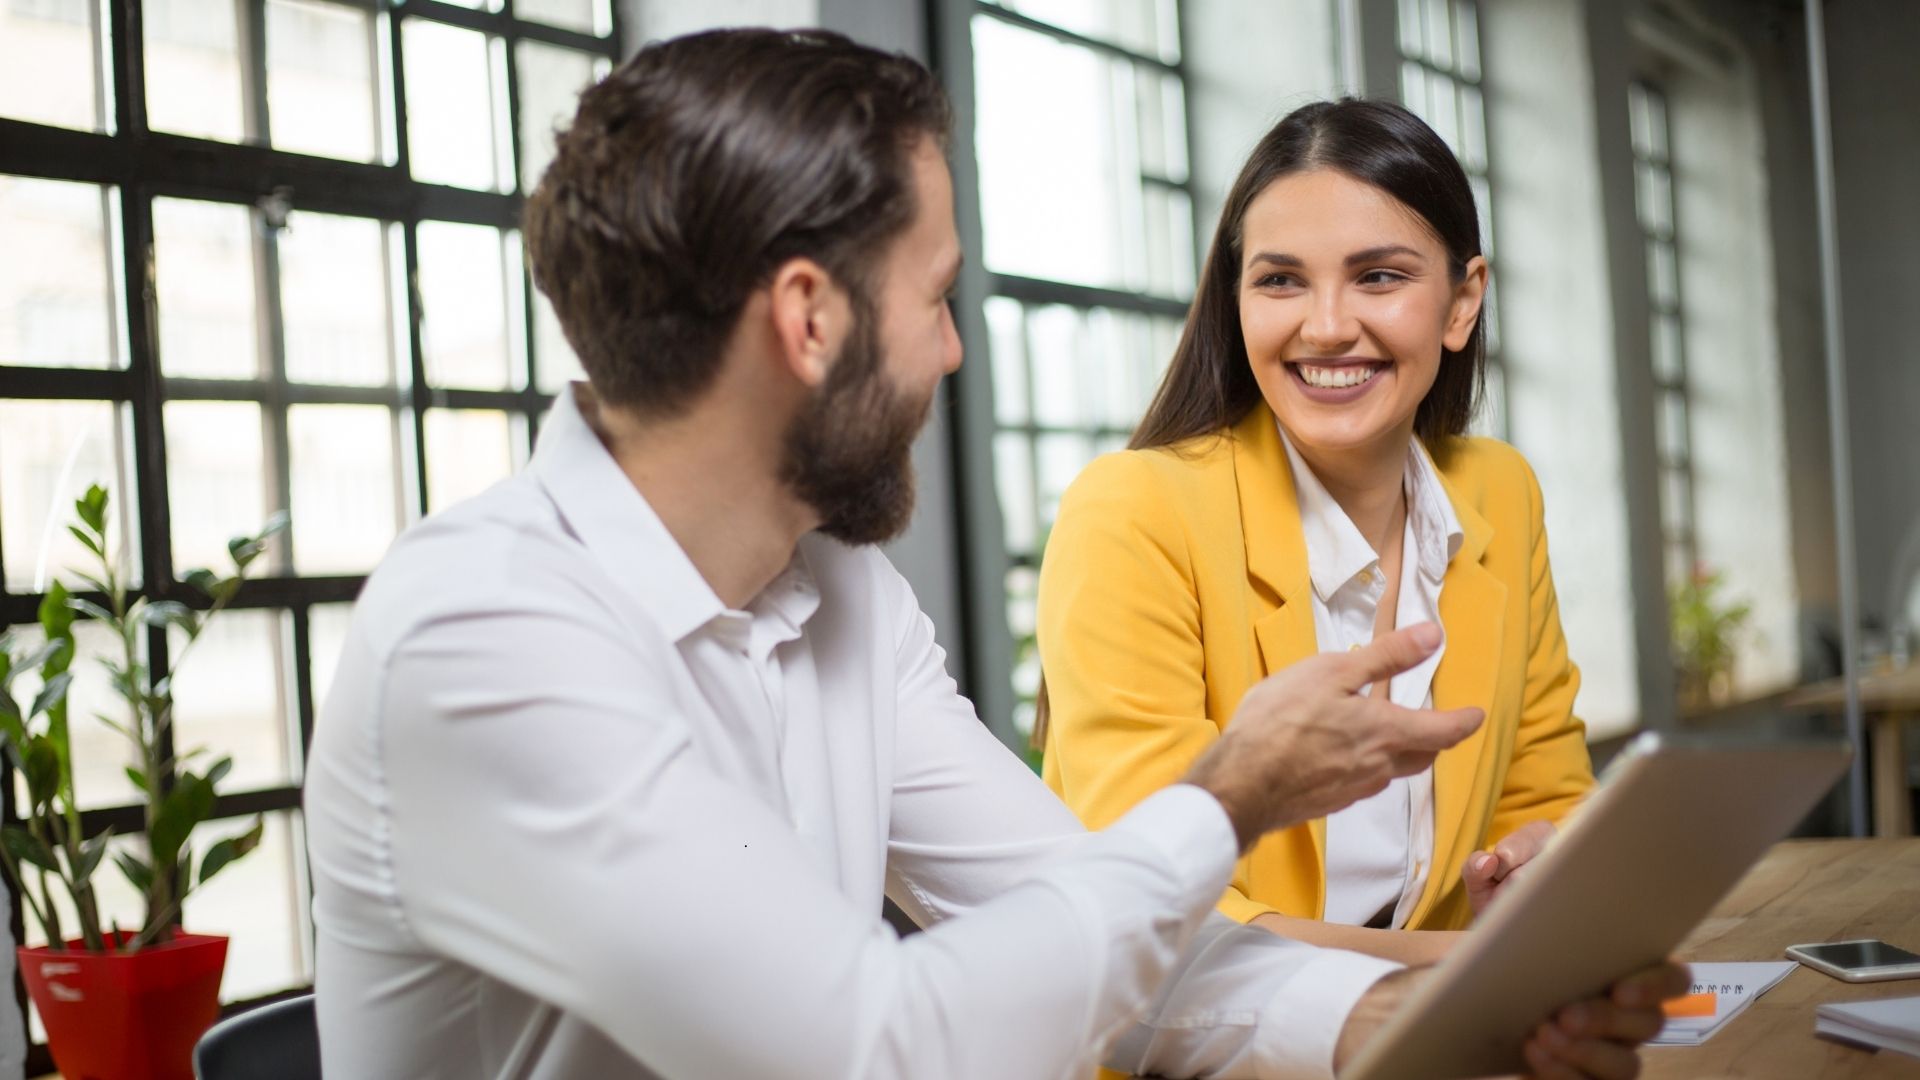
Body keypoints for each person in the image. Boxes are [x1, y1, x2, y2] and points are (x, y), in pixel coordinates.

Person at [302, 31, 1679, 1080]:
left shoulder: (843, 591)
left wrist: (1436, 1018)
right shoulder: (481, 634)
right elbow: (875, 1047)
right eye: (937, 298)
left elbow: (1106, 940)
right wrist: (1231, 795)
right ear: (811, 321)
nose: (956, 351)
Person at [1037, 99, 1592, 968]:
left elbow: (1547, 786)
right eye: (1281, 279)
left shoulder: (1500, 493)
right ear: (1238, 299)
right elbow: (1155, 907)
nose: (1326, 325)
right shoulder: (1132, 514)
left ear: (1462, 301)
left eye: (1378, 276)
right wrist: (1470, 971)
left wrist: (1532, 864)